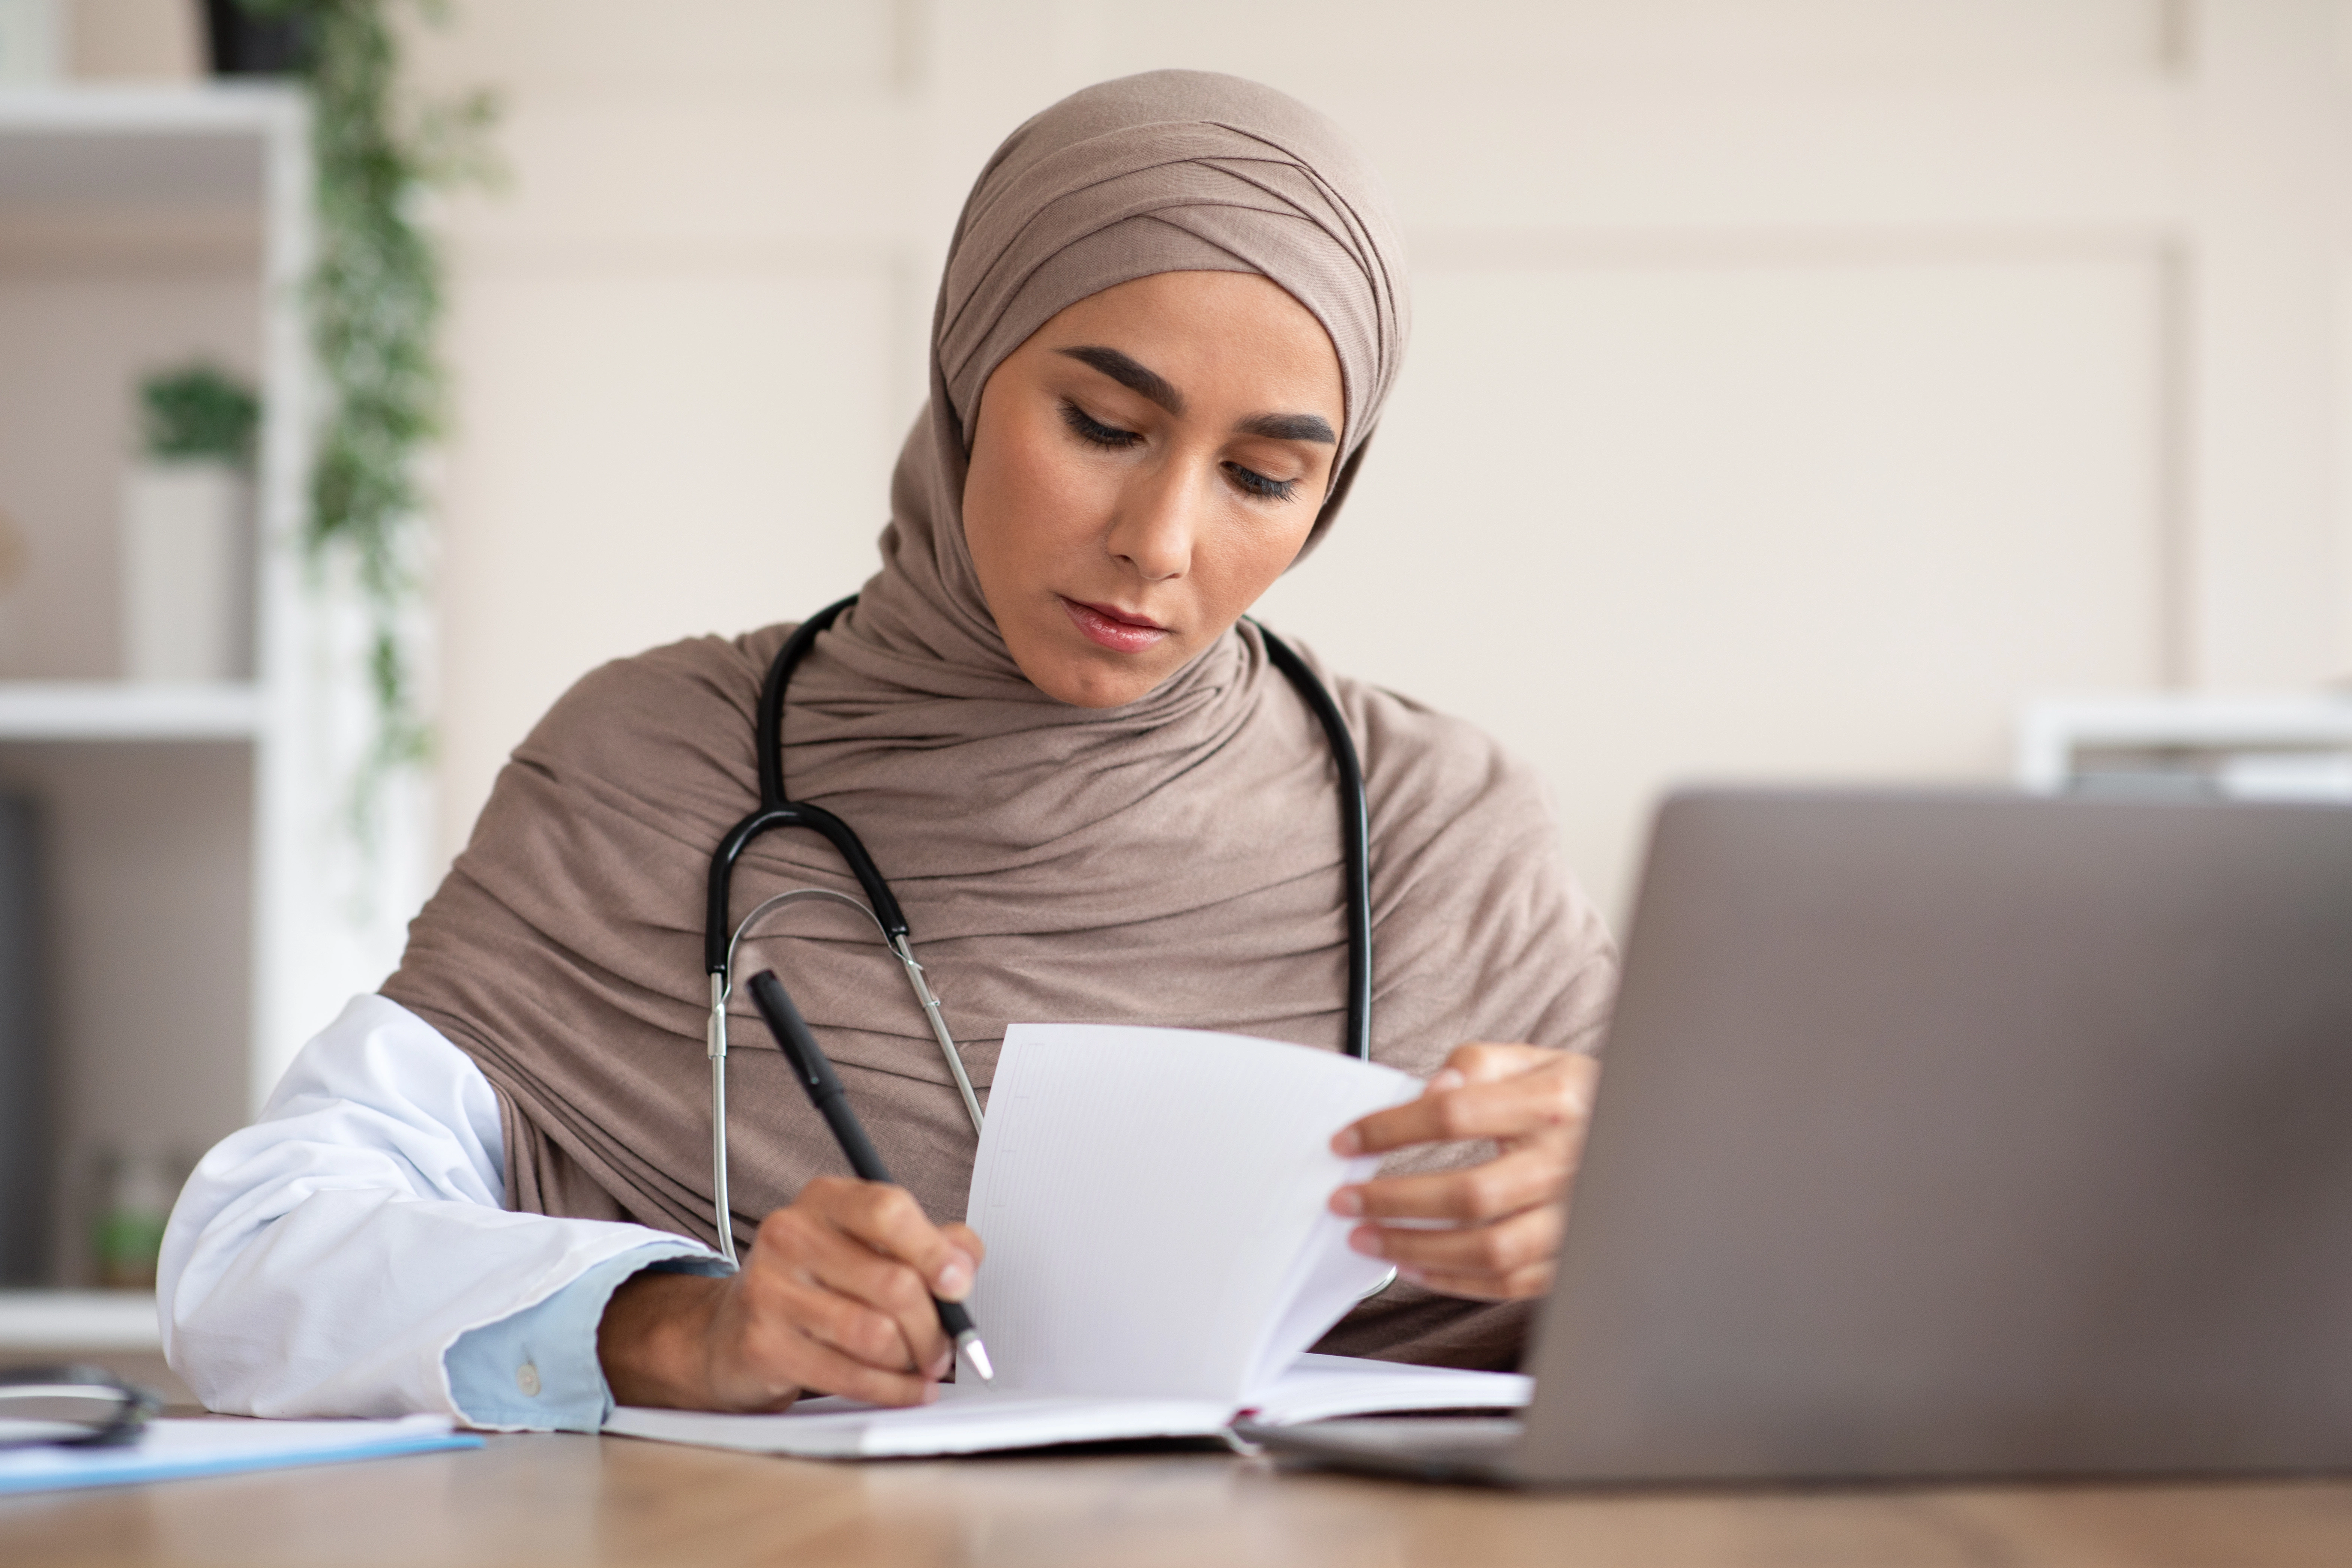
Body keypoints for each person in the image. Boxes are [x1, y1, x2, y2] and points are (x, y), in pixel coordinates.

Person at [158, 69, 1616, 1430]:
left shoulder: (1440, 826)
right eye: (1103, 423)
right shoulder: (660, 762)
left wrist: (1645, 1208)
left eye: (1261, 476)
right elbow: (253, 1255)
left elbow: (1774, 1318)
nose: (1159, 543)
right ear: (970, 372)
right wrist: (671, 1326)